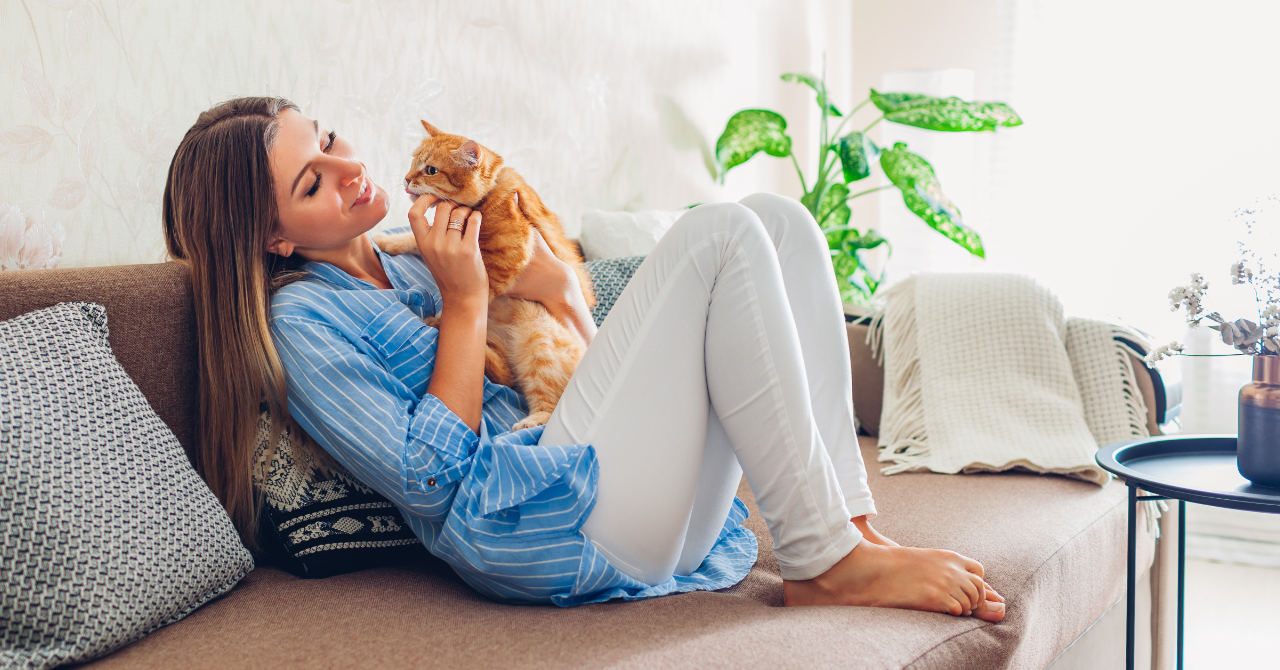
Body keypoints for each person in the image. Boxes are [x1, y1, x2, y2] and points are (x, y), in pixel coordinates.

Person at [163, 96, 1005, 619]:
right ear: (272, 237)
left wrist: (529, 270)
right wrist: (465, 304)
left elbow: (571, 311)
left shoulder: (403, 255)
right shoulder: (302, 323)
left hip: (603, 470)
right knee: (719, 233)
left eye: (333, 139)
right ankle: (827, 566)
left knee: (779, 221)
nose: (349, 168)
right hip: (533, 522)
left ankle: (847, 530)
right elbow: (427, 481)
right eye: (312, 182)